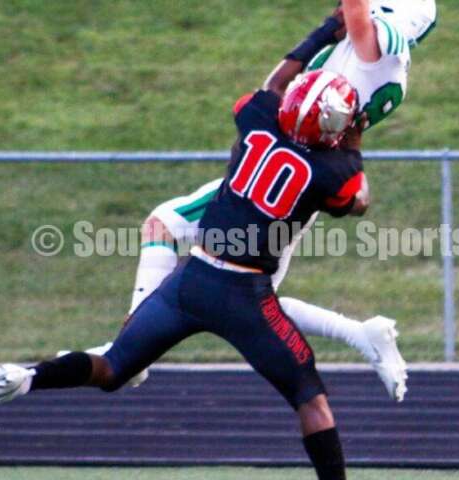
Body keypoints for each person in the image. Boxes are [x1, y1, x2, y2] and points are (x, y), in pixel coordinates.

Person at [0, 64, 365, 479]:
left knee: (113, 367)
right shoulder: (330, 171)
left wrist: (320, 37)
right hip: (245, 294)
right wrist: (354, 142)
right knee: (310, 400)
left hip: (192, 279)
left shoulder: (258, 120)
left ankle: (28, 377)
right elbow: (358, 201)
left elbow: (273, 83)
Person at [83, 0, 438, 401]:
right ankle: (360, 334)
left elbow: (354, 14)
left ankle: (128, 349)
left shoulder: (378, 51)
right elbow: (281, 86)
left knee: (166, 226)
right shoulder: (375, 64)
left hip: (278, 174)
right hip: (286, 174)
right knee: (256, 301)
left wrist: (329, 28)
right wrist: (323, 33)